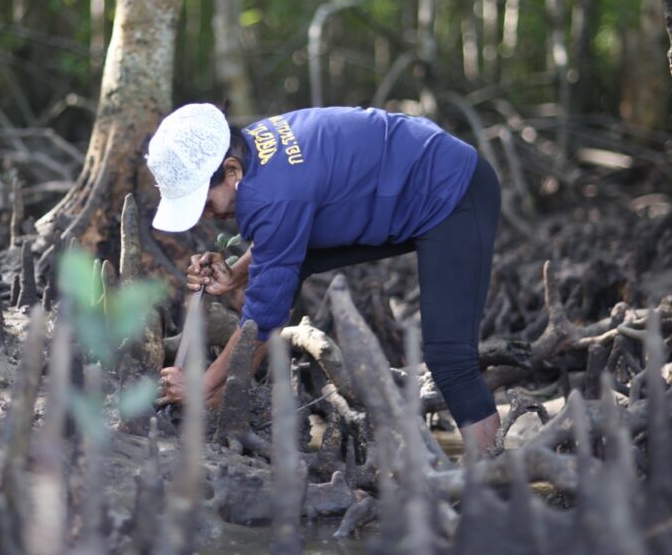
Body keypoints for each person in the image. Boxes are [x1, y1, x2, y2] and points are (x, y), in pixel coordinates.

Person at [148, 102, 501, 451]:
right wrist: (234, 277)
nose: (207, 215)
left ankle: (493, 481)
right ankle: (226, 397)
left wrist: (199, 384)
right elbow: (283, 240)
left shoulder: (271, 195)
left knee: (451, 362)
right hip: (404, 183)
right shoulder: (251, 152)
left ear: (232, 171)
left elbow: (263, 315)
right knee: (286, 277)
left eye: (205, 203)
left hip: (452, 191)